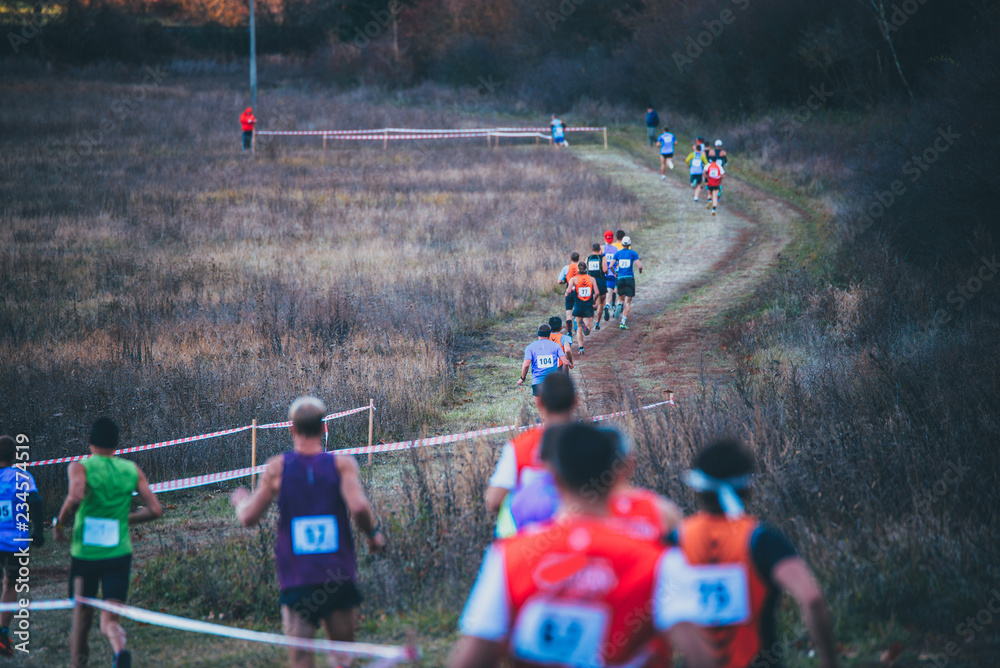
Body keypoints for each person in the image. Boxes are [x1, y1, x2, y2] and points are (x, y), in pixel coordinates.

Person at [450, 423, 715, 668]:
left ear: (553, 477)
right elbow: (702, 657)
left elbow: (472, 658)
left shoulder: (508, 556)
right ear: (617, 474)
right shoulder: (658, 561)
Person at [231, 397, 386, 668]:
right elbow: (359, 506)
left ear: (291, 428)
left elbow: (248, 517)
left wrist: (240, 499)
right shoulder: (342, 465)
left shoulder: (278, 468)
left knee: (301, 659)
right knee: (343, 656)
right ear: (324, 426)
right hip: (337, 573)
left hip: (298, 577)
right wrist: (372, 535)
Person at [676, 438, 838, 668]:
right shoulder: (761, 539)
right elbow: (812, 598)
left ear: (696, 489)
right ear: (748, 487)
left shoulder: (675, 541)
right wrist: (829, 661)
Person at [54, 417, 163, 668]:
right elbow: (156, 510)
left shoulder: (80, 467)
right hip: (118, 554)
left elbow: (74, 497)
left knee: (81, 617)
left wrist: (59, 525)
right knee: (110, 620)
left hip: (86, 555)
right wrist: (125, 519)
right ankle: (119, 651)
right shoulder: (131, 469)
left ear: (90, 441)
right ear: (116, 445)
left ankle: (78, 663)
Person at [485, 373, 577, 538]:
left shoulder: (520, 446)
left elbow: (494, 500)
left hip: (527, 544)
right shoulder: (593, 442)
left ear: (540, 402)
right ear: (575, 401)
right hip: (581, 544)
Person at [0, 436, 44, 657]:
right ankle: (2, 632)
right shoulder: (21, 476)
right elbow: (35, 502)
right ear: (15, 455)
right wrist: (38, 531)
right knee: (10, 584)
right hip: (14, 542)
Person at [518, 324, 569, 411]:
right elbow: (565, 363)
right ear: (549, 334)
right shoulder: (556, 346)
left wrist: (522, 378)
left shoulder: (530, 347)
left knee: (542, 411)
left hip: (538, 382)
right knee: (555, 410)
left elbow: (526, 364)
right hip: (553, 382)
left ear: (538, 334)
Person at [565, 262, 597, 356]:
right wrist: (594, 300)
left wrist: (566, 294)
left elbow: (569, 291)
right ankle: (586, 328)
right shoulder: (592, 279)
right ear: (586, 269)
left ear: (578, 270)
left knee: (578, 327)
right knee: (588, 330)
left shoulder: (574, 279)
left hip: (578, 306)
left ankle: (581, 348)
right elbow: (597, 292)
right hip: (588, 306)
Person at [611, 236, 642, 330]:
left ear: (622, 244)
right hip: (629, 278)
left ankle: (619, 304)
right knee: (628, 302)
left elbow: (611, 265)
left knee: (620, 298)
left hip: (620, 278)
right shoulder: (633, 253)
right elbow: (639, 266)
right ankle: (623, 322)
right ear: (629, 244)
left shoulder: (617, 254)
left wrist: (615, 273)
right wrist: (640, 270)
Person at [586, 243, 609, 331]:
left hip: (590, 281)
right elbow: (605, 270)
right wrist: (606, 273)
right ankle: (597, 323)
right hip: (600, 281)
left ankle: (587, 322)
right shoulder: (603, 258)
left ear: (592, 249)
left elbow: (584, 269)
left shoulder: (588, 258)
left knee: (592, 301)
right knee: (601, 303)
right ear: (600, 249)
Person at [560, 251, 581, 334]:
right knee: (577, 310)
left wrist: (564, 280)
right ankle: (576, 321)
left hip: (569, 291)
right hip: (578, 292)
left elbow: (559, 281)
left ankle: (569, 331)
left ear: (570, 259)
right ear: (578, 258)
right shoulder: (581, 267)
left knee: (568, 313)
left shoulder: (566, 268)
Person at [601, 231, 619, 320]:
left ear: (605, 238)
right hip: (612, 274)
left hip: (602, 275)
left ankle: (605, 306)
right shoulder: (616, 250)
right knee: (610, 293)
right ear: (613, 239)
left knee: (602, 294)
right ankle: (608, 305)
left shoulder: (601, 249)